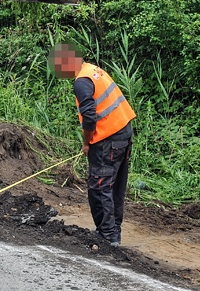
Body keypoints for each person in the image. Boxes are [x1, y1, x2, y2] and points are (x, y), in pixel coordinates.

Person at [49, 42, 136, 248]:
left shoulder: (81, 81)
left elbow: (89, 117)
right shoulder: (94, 70)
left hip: (108, 139)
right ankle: (113, 231)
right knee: (115, 187)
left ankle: (107, 235)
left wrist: (86, 143)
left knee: (100, 186)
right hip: (123, 132)